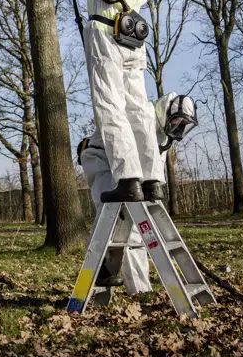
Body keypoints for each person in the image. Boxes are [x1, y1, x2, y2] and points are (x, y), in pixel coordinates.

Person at [43, 0, 163, 202]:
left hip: (106, 34)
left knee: (110, 104)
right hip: (132, 38)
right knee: (139, 107)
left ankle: (127, 178)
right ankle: (152, 179)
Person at [78, 93, 199, 293]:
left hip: (125, 171)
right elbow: (130, 154)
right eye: (177, 120)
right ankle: (95, 273)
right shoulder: (143, 117)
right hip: (102, 162)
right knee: (109, 219)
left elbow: (154, 168)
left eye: (183, 123)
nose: (178, 126)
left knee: (134, 230)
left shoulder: (162, 134)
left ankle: (138, 289)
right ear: (167, 111)